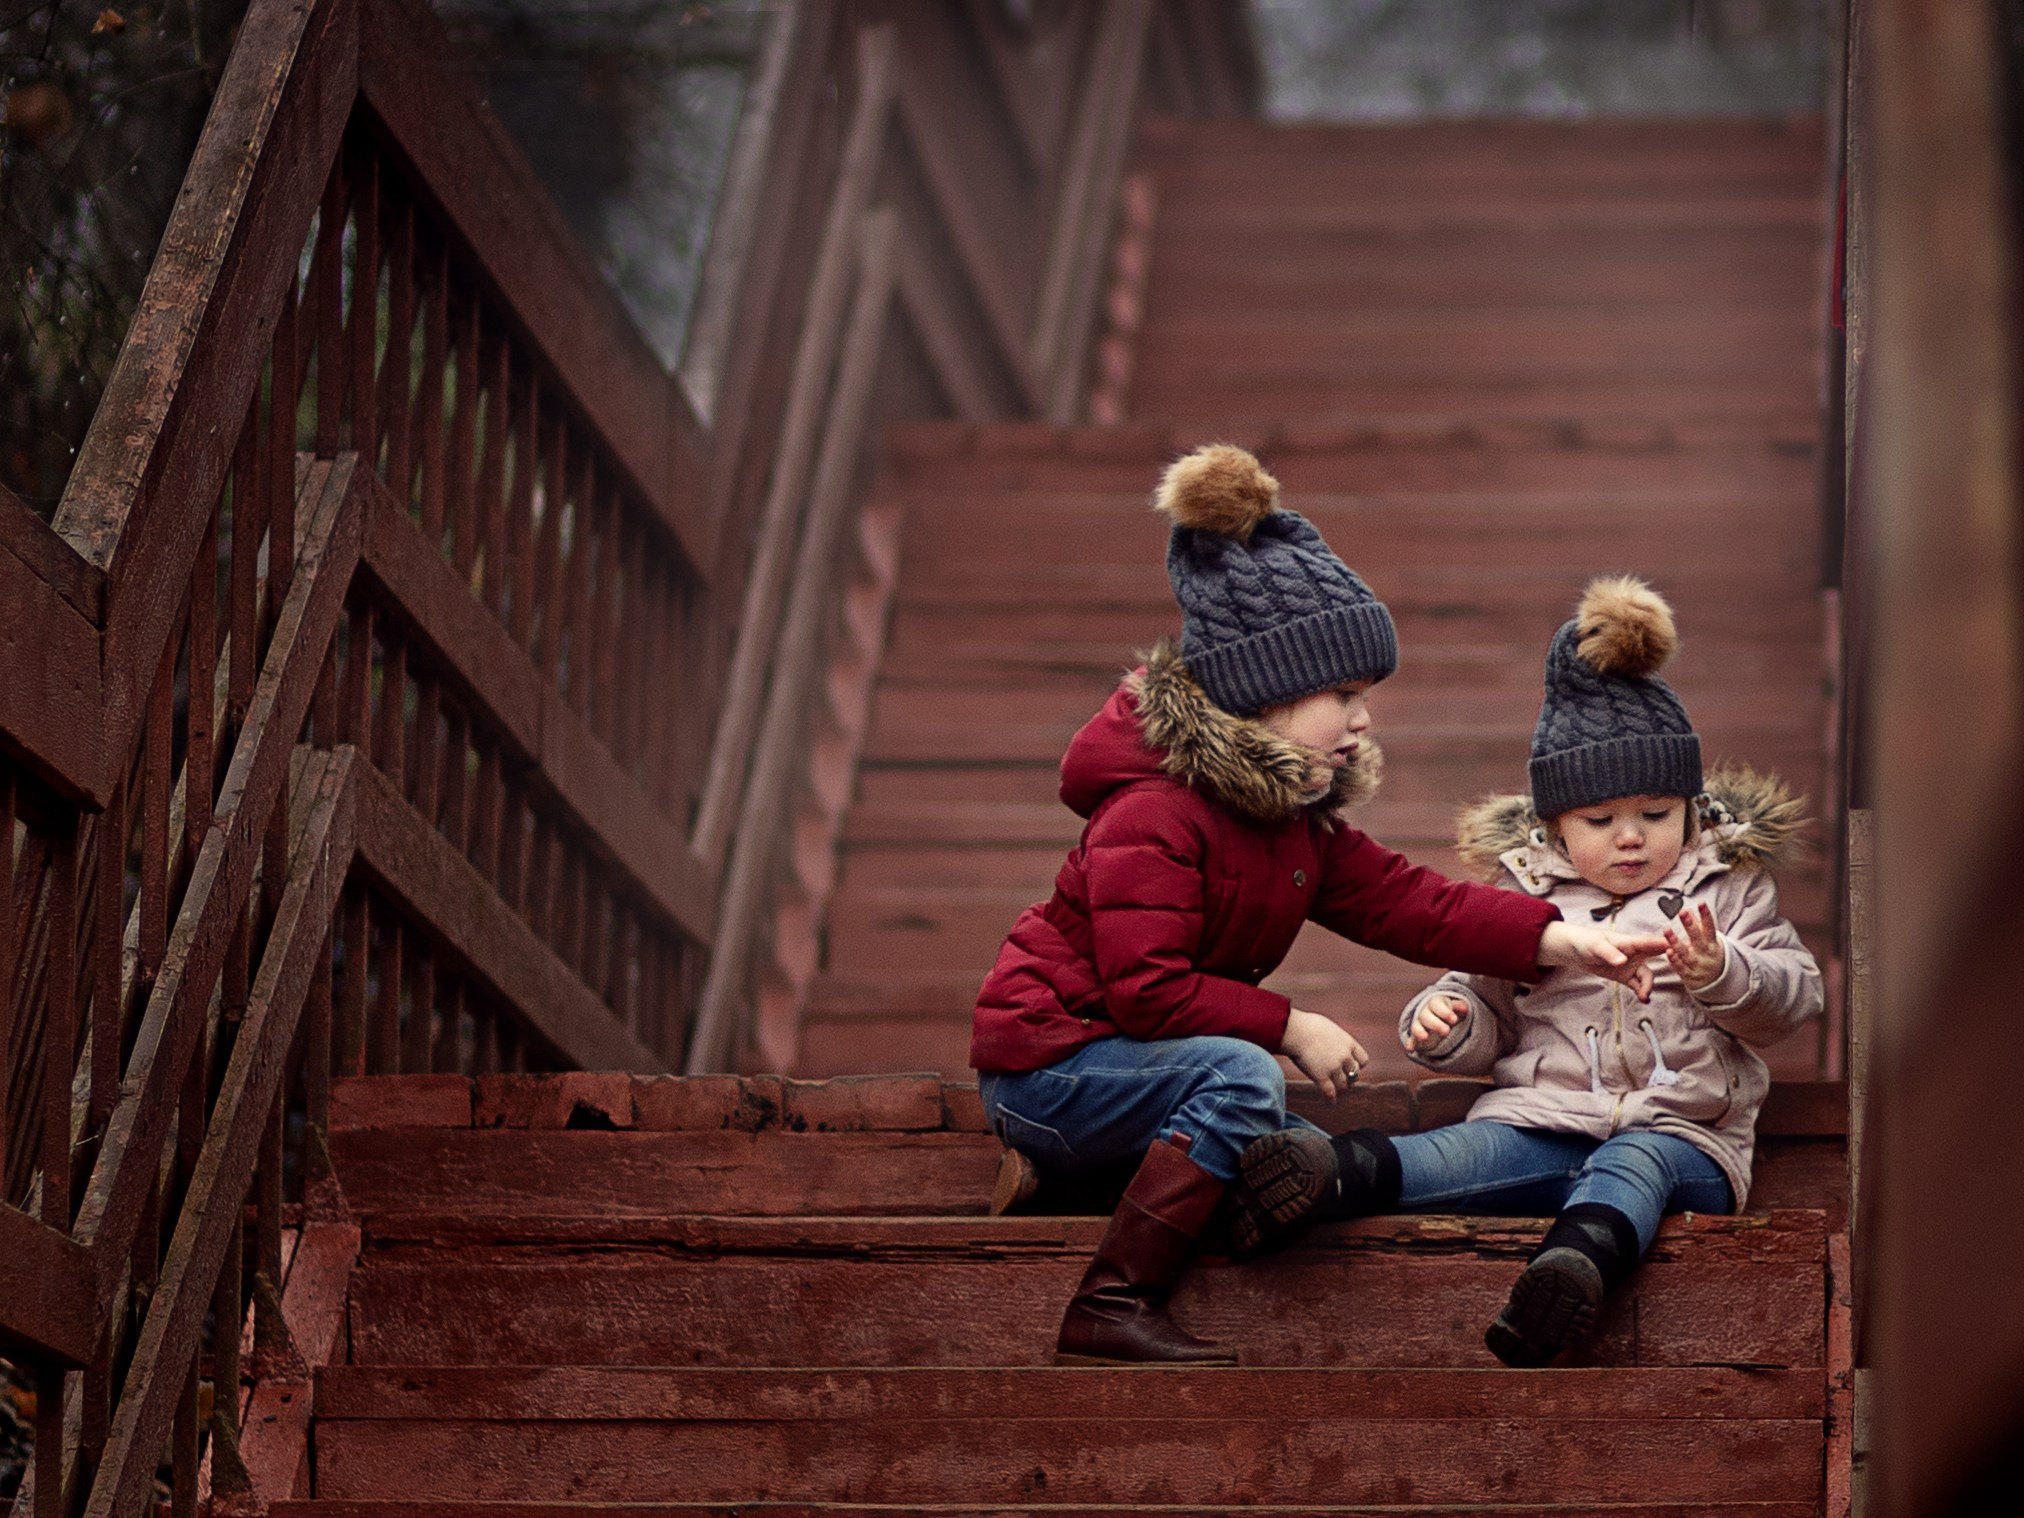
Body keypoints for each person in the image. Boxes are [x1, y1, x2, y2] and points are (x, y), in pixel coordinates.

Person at [968, 446, 1665, 1367]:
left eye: (1365, 695)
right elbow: (1146, 993)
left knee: (1292, 1154)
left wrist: (1560, 937)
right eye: (1344, 694)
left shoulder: (1289, 824)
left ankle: (1083, 1188)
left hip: (1134, 1065)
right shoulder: (1154, 814)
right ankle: (1110, 1302)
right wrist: (1291, 1023)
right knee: (1243, 1082)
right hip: (1051, 1068)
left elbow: (1412, 903)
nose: (1365, 718)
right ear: (1264, 697)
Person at [1228, 575, 1823, 1367]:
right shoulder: (1525, 900)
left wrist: (1723, 971)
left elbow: (1795, 999)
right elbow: (1481, 1012)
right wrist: (1447, 1024)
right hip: (1541, 1125)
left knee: (1631, 1162)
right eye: (1600, 821)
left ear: (1691, 809)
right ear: (1552, 825)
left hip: (1686, 1141)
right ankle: (1327, 1175)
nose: (1632, 839)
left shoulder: (1726, 892)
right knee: (1459, 1153)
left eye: (1656, 814)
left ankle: (1572, 1273)